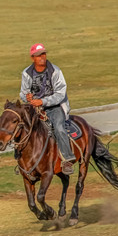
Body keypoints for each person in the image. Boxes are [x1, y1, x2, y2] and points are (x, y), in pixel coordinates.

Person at [19, 43, 76, 175]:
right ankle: (22, 160)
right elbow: (23, 93)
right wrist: (26, 97)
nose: (42, 57)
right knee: (21, 128)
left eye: (43, 54)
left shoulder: (55, 71)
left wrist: (42, 101)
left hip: (55, 106)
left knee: (59, 128)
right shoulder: (27, 73)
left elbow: (60, 94)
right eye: (38, 55)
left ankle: (68, 159)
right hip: (35, 108)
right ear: (32, 58)